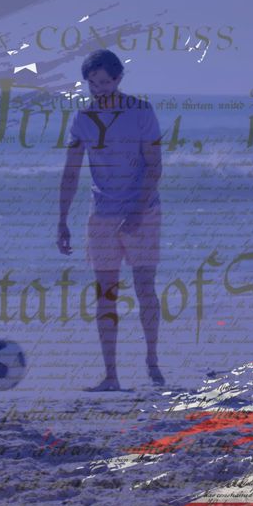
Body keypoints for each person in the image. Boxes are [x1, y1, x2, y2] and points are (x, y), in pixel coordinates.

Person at [57, 49, 166, 392]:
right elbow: (71, 172)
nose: (98, 89)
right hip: (102, 213)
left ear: (118, 79)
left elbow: (154, 166)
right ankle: (111, 375)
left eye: (104, 82)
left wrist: (137, 211)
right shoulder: (83, 118)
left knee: (144, 287)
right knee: (105, 294)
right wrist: (62, 220)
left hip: (143, 211)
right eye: (92, 84)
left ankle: (152, 361)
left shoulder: (141, 111)